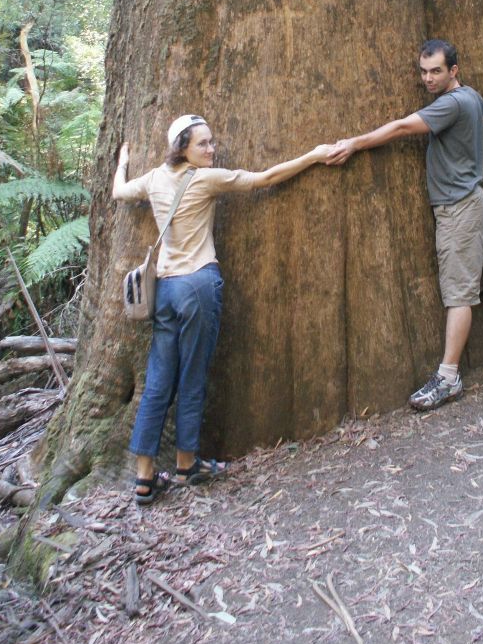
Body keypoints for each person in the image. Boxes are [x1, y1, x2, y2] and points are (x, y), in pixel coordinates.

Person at [326, 39, 483, 411]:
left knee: (459, 293)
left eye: (436, 71)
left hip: (458, 210)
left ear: (453, 71)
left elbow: (401, 128)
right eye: (423, 71)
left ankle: (448, 377)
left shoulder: (449, 105)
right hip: (472, 204)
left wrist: (354, 143)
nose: (428, 79)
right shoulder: (471, 98)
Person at [113, 114, 335, 505]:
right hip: (197, 285)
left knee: (158, 382)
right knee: (193, 376)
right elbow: (264, 178)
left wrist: (122, 161)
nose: (212, 149)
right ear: (182, 147)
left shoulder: (153, 179)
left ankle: (144, 477)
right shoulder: (205, 179)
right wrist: (313, 155)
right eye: (204, 144)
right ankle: (186, 465)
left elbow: (119, 192)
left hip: (164, 291)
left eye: (211, 142)